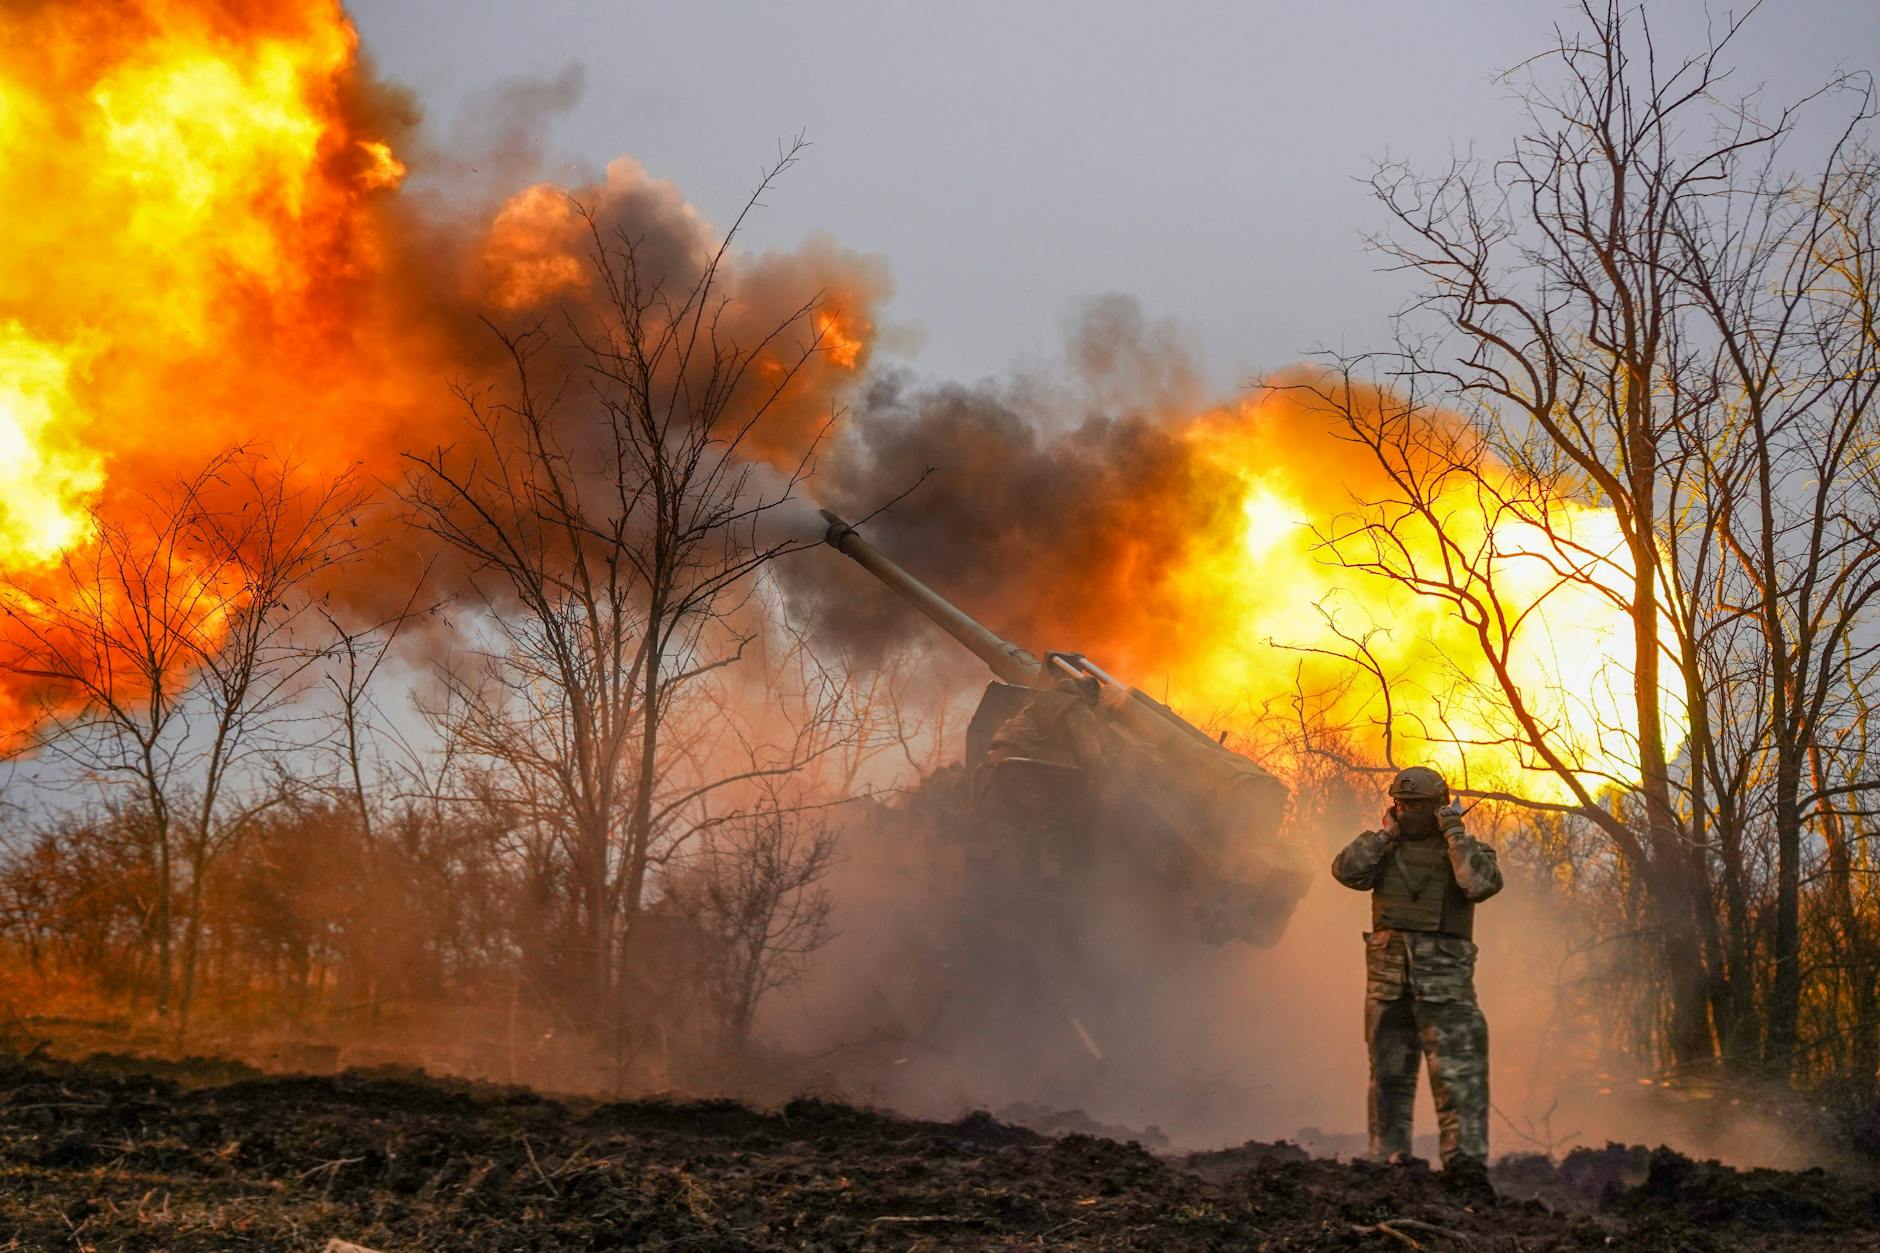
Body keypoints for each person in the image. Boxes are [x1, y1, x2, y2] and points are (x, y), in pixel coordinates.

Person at [1332, 765, 1502, 1198]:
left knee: (1459, 1080)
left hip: (1446, 989)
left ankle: (1465, 1172)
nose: (1408, 812)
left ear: (1439, 806)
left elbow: (1480, 884)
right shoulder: (1382, 850)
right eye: (1402, 804)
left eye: (1418, 805)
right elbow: (1346, 872)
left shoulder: (1465, 850)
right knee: (1388, 1078)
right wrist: (1384, 835)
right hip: (1388, 984)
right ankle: (1387, 1162)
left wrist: (1454, 835)